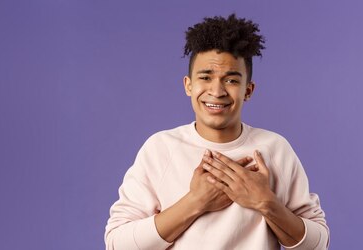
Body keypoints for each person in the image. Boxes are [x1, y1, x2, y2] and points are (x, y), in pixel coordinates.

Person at [104, 14, 329, 249]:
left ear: (248, 90)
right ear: (188, 85)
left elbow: (318, 244)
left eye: (231, 80)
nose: (217, 90)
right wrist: (196, 201)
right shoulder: (160, 149)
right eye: (205, 77)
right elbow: (116, 243)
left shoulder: (275, 148)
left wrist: (265, 202)